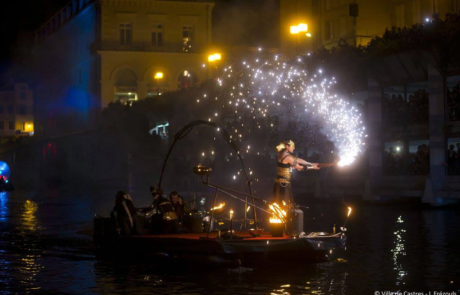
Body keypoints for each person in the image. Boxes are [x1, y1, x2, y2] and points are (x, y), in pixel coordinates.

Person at [273, 140, 319, 204]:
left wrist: (311, 163)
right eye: (292, 146)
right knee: (283, 205)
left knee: (280, 204)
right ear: (287, 146)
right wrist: (313, 167)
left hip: (279, 183)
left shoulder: (282, 153)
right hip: (283, 185)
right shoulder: (288, 157)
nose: (294, 148)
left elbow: (297, 159)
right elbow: (298, 167)